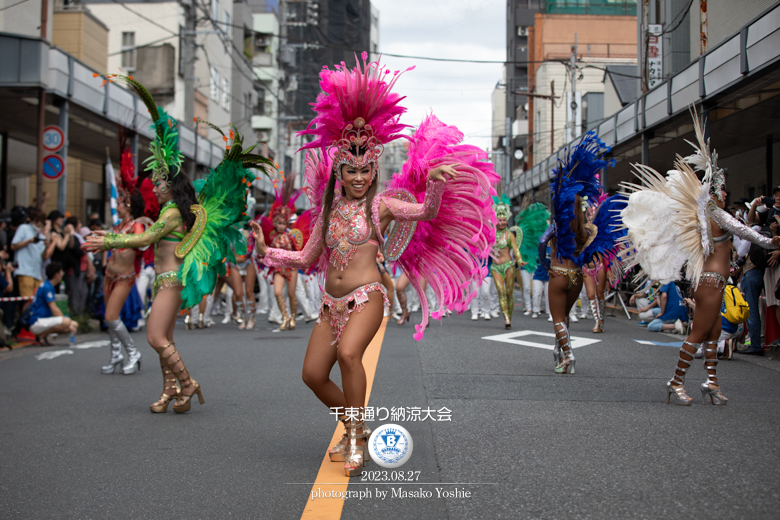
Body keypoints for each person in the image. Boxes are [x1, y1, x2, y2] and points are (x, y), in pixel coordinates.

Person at [252, 55, 498, 477]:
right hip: (330, 304)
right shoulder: (328, 211)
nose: (360, 177)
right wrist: (266, 250)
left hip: (368, 297)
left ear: (373, 170)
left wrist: (436, 180)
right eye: (352, 171)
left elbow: (423, 212)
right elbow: (309, 257)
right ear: (340, 173)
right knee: (312, 374)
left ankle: (353, 441)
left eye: (367, 170)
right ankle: (356, 426)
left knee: (350, 354)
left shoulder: (382, 206)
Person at [85, 76, 268, 412]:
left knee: (155, 338)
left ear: (170, 186)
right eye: (154, 183)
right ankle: (169, 390)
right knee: (164, 339)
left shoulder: (170, 213)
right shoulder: (172, 209)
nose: (153, 188)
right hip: (164, 279)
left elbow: (145, 238)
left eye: (158, 182)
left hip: (171, 280)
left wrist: (108, 240)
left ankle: (187, 383)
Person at [621, 111, 780, 405]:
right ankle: (675, 381)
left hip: (712, 282)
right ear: (716, 192)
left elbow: (740, 228)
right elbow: (745, 231)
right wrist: (770, 241)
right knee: (697, 335)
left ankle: (711, 383)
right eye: (722, 189)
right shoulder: (715, 215)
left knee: (714, 334)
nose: (725, 193)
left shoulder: (707, 216)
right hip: (710, 283)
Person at [539, 133, 622, 373]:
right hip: (576, 275)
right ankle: (558, 352)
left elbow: (542, 244)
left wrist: (547, 267)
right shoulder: (586, 230)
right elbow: (589, 250)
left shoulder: (557, 227)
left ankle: (569, 355)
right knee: (565, 318)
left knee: (557, 319)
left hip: (557, 274)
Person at [99, 148, 149, 375]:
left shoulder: (137, 225)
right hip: (109, 275)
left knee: (111, 316)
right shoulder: (118, 226)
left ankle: (132, 353)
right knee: (110, 317)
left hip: (124, 277)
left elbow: (139, 242)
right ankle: (115, 354)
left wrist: (109, 239)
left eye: (120, 201)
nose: (117, 204)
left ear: (129, 205)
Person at [489, 195, 524, 329]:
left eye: (504, 220)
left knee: (509, 293)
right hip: (495, 267)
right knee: (501, 292)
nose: (502, 222)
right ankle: (506, 318)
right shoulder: (491, 234)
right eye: (499, 219)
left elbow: (515, 249)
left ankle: (509, 314)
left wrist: (519, 260)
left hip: (508, 265)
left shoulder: (509, 234)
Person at [11, 208, 53, 307]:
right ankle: (25, 322)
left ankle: (33, 321)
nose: (39, 224)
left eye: (41, 221)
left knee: (37, 301)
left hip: (37, 272)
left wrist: (47, 247)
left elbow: (44, 256)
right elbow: (13, 246)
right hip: (24, 270)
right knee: (28, 300)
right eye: (37, 221)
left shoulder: (41, 235)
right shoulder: (23, 228)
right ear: (31, 219)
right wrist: (29, 241)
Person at [28, 262, 78, 344]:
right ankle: (42, 335)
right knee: (67, 322)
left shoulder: (48, 286)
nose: (62, 274)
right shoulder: (47, 287)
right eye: (61, 272)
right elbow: (54, 308)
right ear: (56, 274)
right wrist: (65, 321)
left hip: (42, 320)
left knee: (74, 324)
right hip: (37, 321)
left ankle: (44, 335)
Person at [514, 203, 550, 317]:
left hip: (536, 265)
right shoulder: (520, 238)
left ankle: (536, 308)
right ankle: (528, 308)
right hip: (525, 265)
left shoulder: (538, 238)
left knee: (536, 289)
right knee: (526, 287)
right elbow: (515, 250)